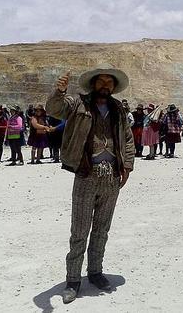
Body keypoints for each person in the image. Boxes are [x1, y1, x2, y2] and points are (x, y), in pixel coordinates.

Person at [46, 64, 135, 304]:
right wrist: (58, 92)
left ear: (113, 87)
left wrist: (127, 166)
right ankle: (73, 280)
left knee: (102, 229)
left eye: (109, 82)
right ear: (94, 83)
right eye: (101, 81)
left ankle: (95, 272)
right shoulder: (78, 104)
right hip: (87, 174)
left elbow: (127, 138)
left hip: (111, 177)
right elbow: (54, 110)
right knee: (80, 230)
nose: (105, 85)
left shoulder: (118, 109)